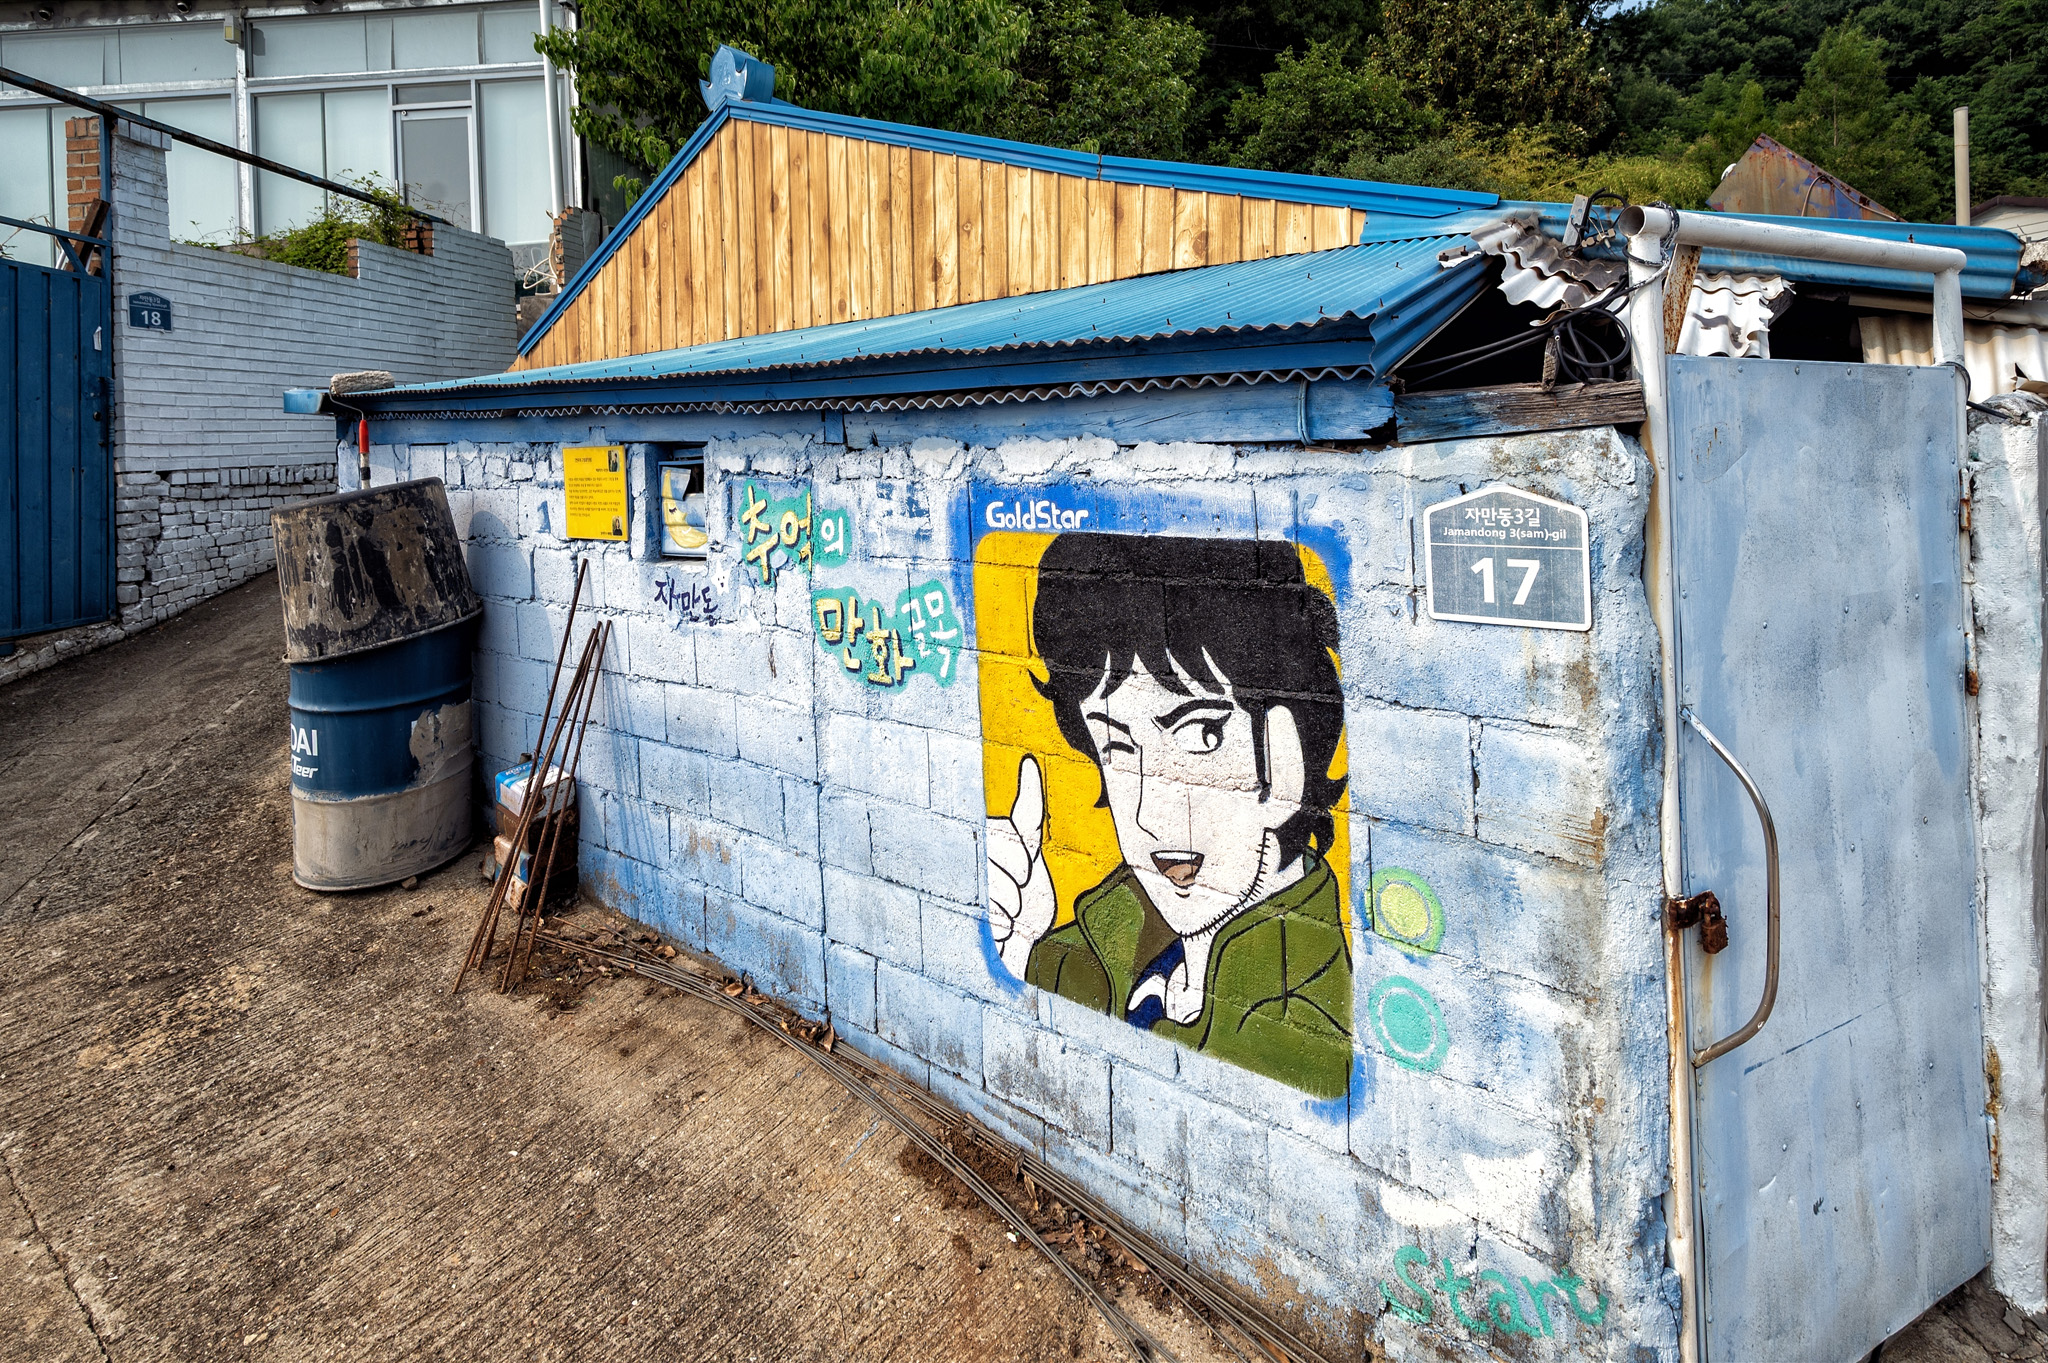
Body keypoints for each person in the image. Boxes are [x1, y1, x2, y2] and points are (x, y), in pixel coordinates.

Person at [986, 533, 1353, 1098]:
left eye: (1201, 734)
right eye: (1117, 747)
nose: (1148, 818)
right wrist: (1023, 949)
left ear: (1283, 764)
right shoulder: (1112, 939)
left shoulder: (1309, 1021)